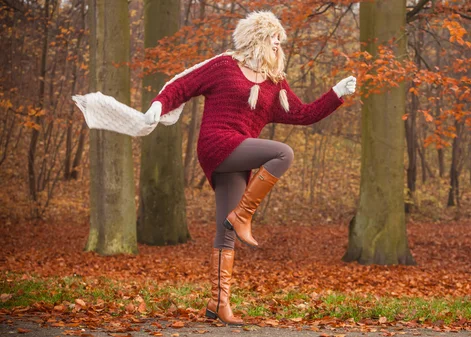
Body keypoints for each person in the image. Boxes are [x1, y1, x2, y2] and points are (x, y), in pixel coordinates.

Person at [74, 11, 356, 326]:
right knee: (282, 153)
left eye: (280, 40)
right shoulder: (225, 65)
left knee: (225, 231)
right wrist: (157, 105)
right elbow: (181, 86)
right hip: (216, 144)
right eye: (273, 39)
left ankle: (217, 303)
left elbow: (304, 114)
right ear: (257, 38)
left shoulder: (275, 84)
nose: (279, 45)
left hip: (238, 157)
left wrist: (336, 94)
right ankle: (243, 215)